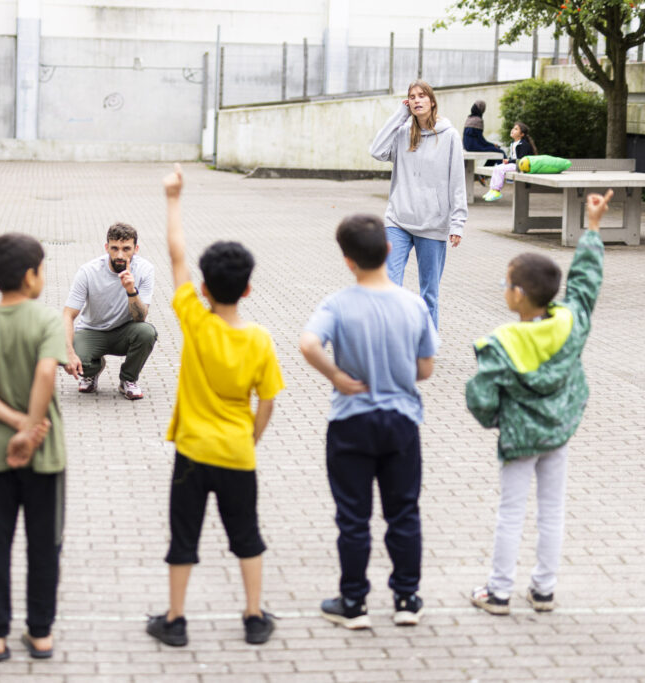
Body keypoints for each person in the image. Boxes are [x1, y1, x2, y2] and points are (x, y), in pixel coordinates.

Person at [146, 164, 284, 648]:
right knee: (246, 535)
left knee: (183, 537)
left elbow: (176, 254)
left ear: (203, 289)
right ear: (248, 288)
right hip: (237, 454)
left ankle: (176, 620)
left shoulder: (195, 322)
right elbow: (267, 400)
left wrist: (173, 198)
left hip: (191, 451)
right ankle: (253, 616)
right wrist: (250, 437)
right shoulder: (261, 340)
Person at [467, 190, 611, 616]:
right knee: (552, 510)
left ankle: (497, 592)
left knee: (511, 512)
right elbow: (585, 284)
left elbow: (479, 397)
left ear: (517, 295)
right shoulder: (571, 322)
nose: (504, 289)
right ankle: (544, 590)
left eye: (506, 283)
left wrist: (498, 418)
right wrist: (593, 227)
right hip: (559, 430)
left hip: (519, 438)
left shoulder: (502, 343)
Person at [299, 214, 439, 630]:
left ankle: (354, 602)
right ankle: (407, 599)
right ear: (390, 250)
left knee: (353, 517)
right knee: (403, 512)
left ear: (347, 260)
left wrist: (338, 377)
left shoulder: (338, 303)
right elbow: (426, 368)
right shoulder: (414, 304)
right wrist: (397, 373)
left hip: (351, 421)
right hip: (400, 421)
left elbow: (308, 343)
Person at [0, 233, 67, 662]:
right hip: (44, 452)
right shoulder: (46, 322)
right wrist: (30, 428)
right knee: (45, 544)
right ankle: (40, 634)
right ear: (30, 276)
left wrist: (12, 424)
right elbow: (46, 374)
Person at [370, 79, 467, 329]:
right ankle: (391, 340)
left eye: (422, 96)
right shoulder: (403, 134)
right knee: (388, 285)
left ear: (432, 101)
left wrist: (457, 223)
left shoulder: (450, 136)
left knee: (429, 293)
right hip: (398, 220)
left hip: (433, 223)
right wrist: (399, 115)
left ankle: (428, 344)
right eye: (412, 97)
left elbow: (457, 181)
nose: (416, 100)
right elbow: (377, 150)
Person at [62, 222, 157, 400]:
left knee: (147, 333)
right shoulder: (88, 271)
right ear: (107, 247)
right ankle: (94, 369)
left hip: (125, 331)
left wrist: (131, 290)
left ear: (136, 249)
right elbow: (68, 314)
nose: (120, 254)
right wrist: (69, 351)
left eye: (126, 248)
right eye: (115, 248)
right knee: (73, 360)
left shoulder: (145, 270)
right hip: (92, 330)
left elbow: (140, 317)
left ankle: (128, 380)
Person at [483, 122, 537, 202]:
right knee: (497, 168)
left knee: (500, 169)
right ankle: (492, 190)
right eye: (513, 128)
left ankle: (497, 191)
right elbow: (514, 157)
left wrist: (509, 161)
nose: (512, 130)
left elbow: (521, 159)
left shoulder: (524, 145)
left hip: (521, 166)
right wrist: (509, 160)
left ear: (522, 134)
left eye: (516, 129)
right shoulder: (513, 143)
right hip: (515, 164)